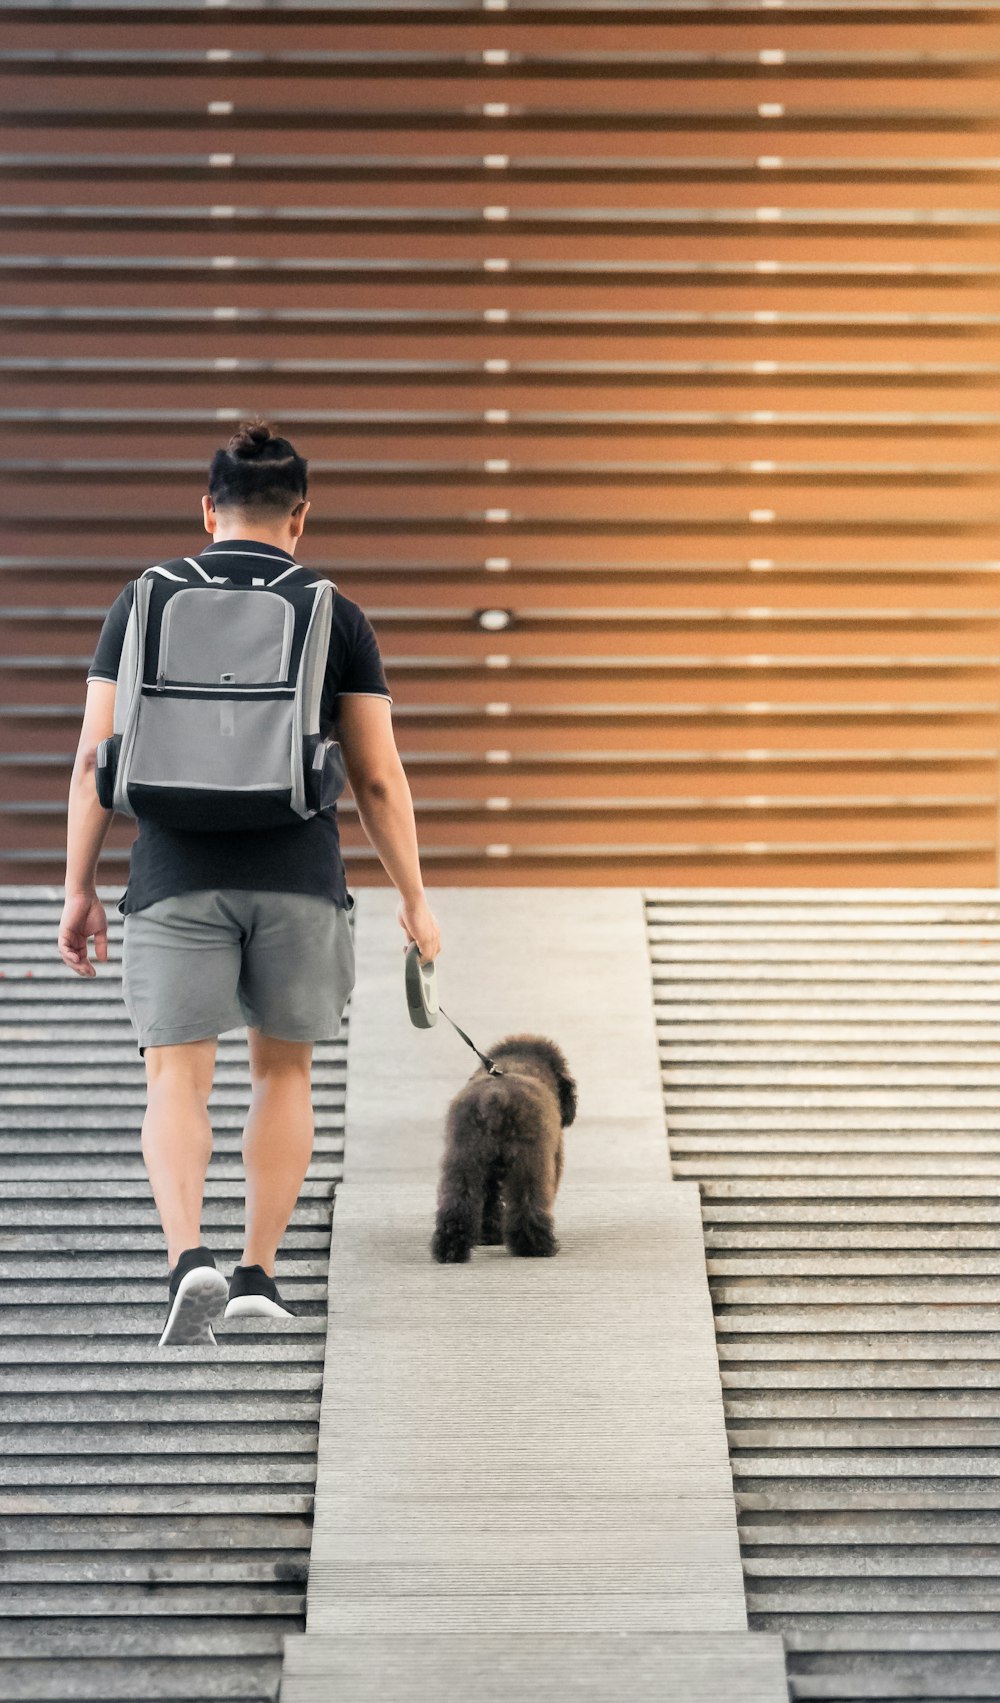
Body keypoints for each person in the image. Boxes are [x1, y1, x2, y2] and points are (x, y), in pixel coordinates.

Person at [58, 420, 441, 1347]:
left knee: (175, 1081)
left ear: (206, 510)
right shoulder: (335, 612)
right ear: (300, 517)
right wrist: (416, 898)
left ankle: (187, 1255)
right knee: (285, 1072)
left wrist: (79, 889)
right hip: (298, 875)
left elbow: (92, 759)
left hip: (173, 870)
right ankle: (258, 1269)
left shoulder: (143, 600)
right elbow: (379, 775)